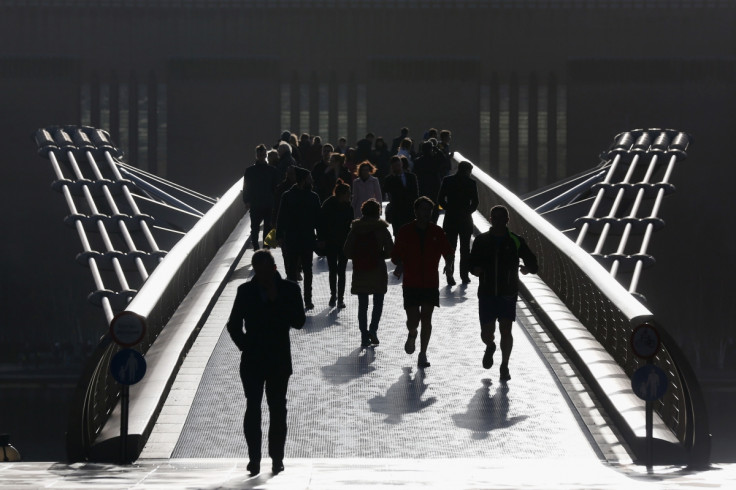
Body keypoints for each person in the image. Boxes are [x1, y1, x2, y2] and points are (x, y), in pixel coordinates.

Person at [226, 249, 305, 477]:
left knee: (277, 408)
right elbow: (233, 324)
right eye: (258, 273)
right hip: (253, 358)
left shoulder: (290, 289)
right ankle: (254, 459)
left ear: (274, 268)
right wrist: (245, 345)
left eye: (266, 272)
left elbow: (299, 322)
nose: (263, 278)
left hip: (278, 359)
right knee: (253, 407)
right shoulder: (246, 291)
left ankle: (277, 458)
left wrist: (276, 301)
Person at [469, 205, 538, 381]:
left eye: (502, 218)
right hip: (486, 292)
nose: (498, 221)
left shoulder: (515, 241)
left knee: (506, 329)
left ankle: (504, 366)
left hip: (508, 292)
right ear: (491, 220)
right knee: (487, 332)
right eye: (495, 218)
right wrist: (475, 269)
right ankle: (490, 345)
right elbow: (471, 264)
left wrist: (527, 269)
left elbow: (533, 262)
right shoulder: (481, 241)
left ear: (508, 220)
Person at [391, 197, 454, 368]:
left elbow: (448, 252)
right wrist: (400, 264)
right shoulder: (405, 231)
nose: (426, 213)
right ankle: (412, 333)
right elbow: (395, 255)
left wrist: (449, 264)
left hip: (430, 282)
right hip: (411, 281)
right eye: (423, 209)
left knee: (427, 318)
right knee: (413, 320)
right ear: (416, 211)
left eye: (429, 210)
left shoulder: (437, 232)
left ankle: (423, 354)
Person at [344, 198, 393, 347]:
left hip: (361, 271)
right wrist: (380, 256)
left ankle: (364, 335)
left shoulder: (356, 229)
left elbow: (347, 251)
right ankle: (373, 329)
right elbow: (391, 251)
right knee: (378, 303)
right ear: (378, 212)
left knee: (362, 305)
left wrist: (359, 257)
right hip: (377, 269)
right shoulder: (382, 229)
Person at [276, 166, 321, 310]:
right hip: (306, 238)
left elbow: (280, 217)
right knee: (307, 270)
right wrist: (320, 237)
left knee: (292, 270)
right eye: (309, 179)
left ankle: (293, 300)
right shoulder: (313, 197)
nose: (311, 181)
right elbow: (317, 219)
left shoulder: (287, 195)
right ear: (304, 180)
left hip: (292, 238)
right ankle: (307, 300)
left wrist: (279, 235)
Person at [436, 160, 479, 285]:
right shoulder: (471, 183)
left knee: (450, 248)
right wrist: (468, 212)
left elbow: (440, 199)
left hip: (450, 219)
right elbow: (475, 202)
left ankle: (450, 274)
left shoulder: (447, 180)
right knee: (465, 250)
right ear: (468, 171)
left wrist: (448, 208)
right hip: (465, 219)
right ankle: (464, 276)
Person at [317, 179, 354, 308]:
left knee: (341, 270)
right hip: (330, 242)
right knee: (333, 270)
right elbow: (320, 223)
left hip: (343, 242)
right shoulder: (328, 205)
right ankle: (334, 295)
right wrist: (321, 239)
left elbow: (349, 225)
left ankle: (340, 298)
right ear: (342, 194)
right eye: (348, 193)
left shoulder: (348, 206)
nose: (350, 195)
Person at [243, 144, 281, 251]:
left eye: (262, 154)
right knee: (260, 228)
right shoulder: (272, 170)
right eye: (260, 154)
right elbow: (275, 187)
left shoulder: (250, 171)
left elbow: (246, 187)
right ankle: (263, 248)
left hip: (259, 203)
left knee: (257, 228)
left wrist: (246, 200)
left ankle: (259, 248)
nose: (261, 155)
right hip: (265, 203)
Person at [383, 155, 419, 237]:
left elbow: (415, 193)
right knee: (398, 235)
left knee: (411, 235)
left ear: (401, 164)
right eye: (395, 166)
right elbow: (385, 189)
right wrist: (393, 177)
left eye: (398, 165)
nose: (397, 168)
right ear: (392, 167)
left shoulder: (411, 177)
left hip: (410, 210)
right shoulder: (389, 179)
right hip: (397, 211)